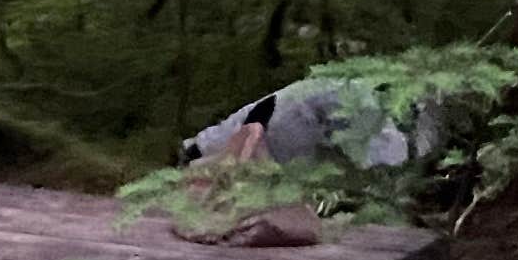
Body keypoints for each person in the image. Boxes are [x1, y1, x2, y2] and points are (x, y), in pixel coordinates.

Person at [178, 70, 436, 174]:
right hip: (231, 156)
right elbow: (385, 166)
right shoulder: (355, 97)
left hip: (226, 151)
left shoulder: (343, 90)